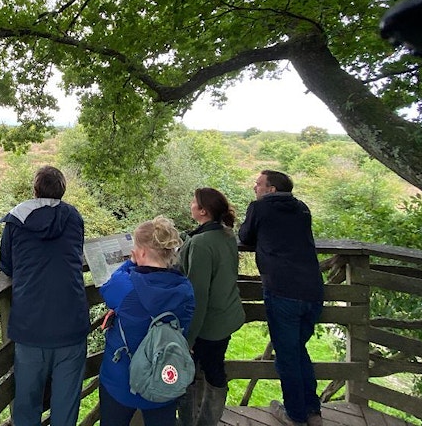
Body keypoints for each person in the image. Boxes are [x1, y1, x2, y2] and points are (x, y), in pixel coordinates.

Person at [0, 165, 90, 426]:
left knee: (27, 406)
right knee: (66, 404)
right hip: (71, 322)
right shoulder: (73, 217)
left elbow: (7, 265)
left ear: (35, 189)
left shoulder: (16, 220)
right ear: (62, 190)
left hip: (31, 325)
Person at [238, 170, 324, 426]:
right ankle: (313, 411)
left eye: (259, 184)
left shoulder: (260, 208)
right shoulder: (302, 208)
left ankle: (295, 415)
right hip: (313, 291)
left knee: (287, 357)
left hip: (283, 291)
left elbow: (245, 237)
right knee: (299, 351)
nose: (255, 187)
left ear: (271, 189)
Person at [98, 216, 195, 426]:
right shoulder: (185, 289)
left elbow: (109, 283)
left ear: (140, 252)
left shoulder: (126, 289)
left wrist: (130, 263)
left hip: (121, 379)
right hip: (165, 376)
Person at [176, 188, 245, 426]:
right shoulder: (226, 235)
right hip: (226, 316)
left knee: (187, 374)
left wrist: (189, 337)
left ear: (203, 211)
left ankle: (190, 422)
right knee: (215, 370)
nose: (190, 204)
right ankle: (208, 420)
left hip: (208, 324)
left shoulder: (201, 244)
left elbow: (197, 295)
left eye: (194, 202)